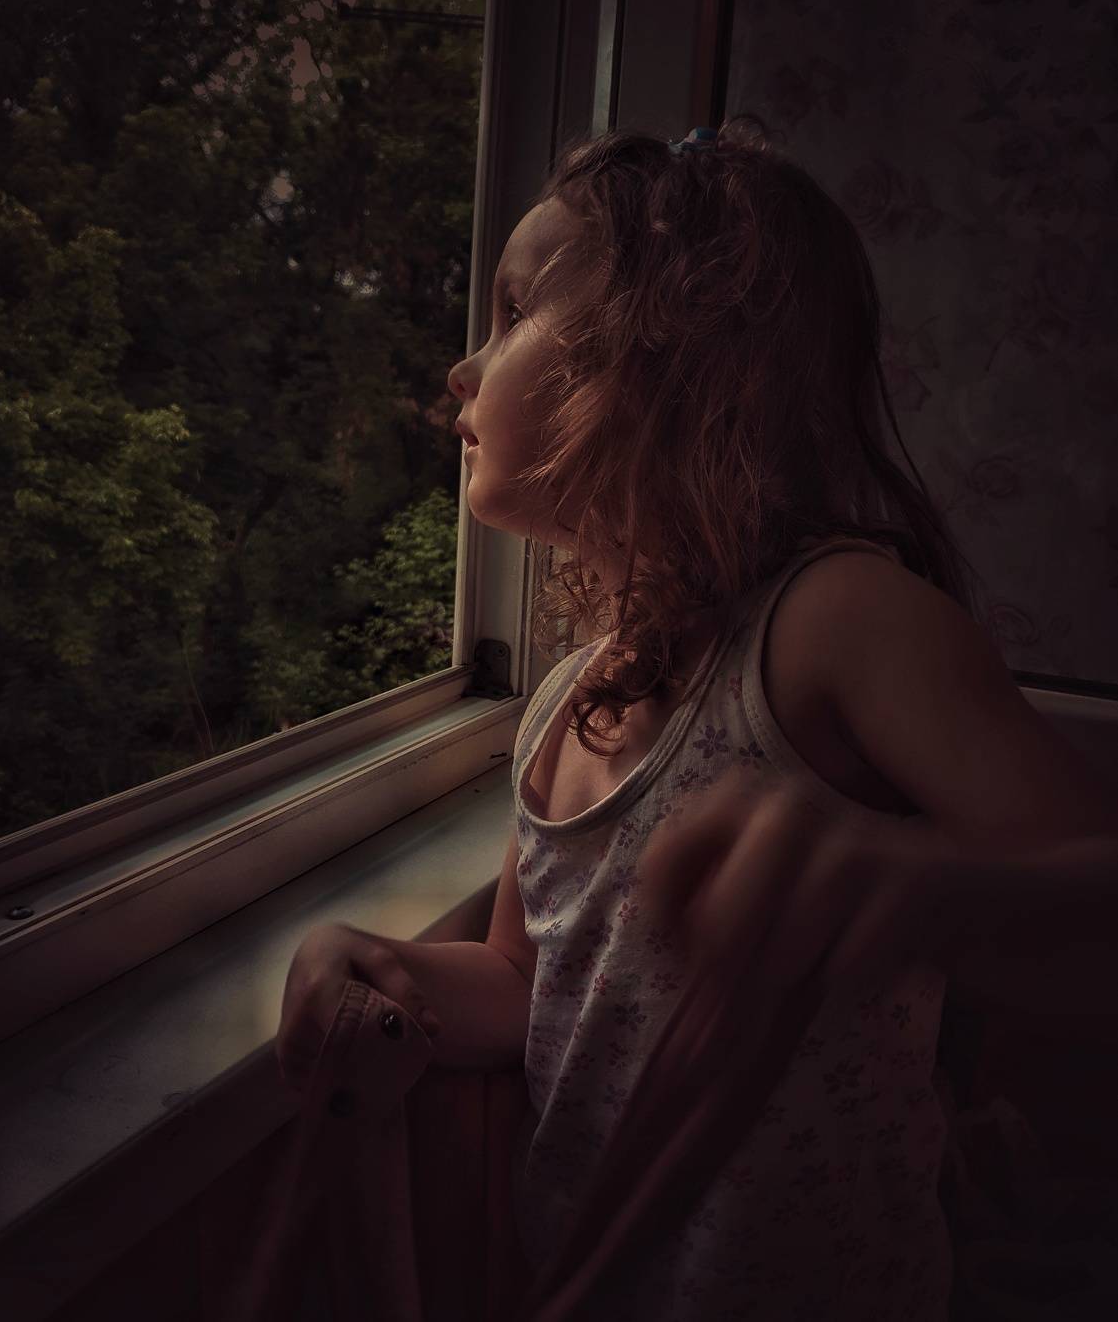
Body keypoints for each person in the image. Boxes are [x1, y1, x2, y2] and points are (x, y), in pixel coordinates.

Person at [277, 119, 1117, 1321]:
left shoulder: (839, 620)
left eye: (512, 313)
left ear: (660, 351)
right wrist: (387, 966)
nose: (464, 369)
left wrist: (926, 886)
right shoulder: (569, 700)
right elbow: (524, 982)